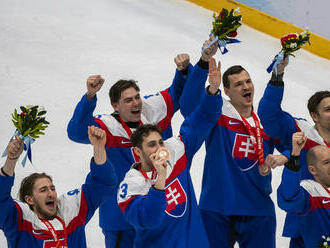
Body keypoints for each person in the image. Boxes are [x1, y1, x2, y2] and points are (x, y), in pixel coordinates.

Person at [67, 42, 218, 248]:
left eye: (137, 97)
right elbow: (76, 132)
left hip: (165, 213)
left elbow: (180, 93)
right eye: (128, 100)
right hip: (122, 217)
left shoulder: (154, 110)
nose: (136, 103)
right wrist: (89, 97)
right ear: (115, 106)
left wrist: (184, 71)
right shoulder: (108, 127)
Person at [179, 59, 290, 247]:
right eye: (238, 84)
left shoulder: (266, 121)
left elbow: (295, 147)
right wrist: (211, 87)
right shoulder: (217, 114)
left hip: (258, 209)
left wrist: (283, 156)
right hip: (217, 207)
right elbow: (190, 107)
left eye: (248, 81)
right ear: (228, 92)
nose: (246, 87)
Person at [117, 57, 222, 247]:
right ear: (137, 152)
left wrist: (212, 91)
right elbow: (148, 219)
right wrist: (160, 181)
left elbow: (201, 120)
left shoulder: (175, 151)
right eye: (151, 145)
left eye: (160, 142)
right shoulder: (132, 184)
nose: (159, 149)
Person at [0, 126, 117, 247]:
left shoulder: (71, 209)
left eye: (52, 188)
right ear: (29, 199)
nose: (50, 193)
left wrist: (99, 148)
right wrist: (11, 159)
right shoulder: (18, 219)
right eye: (43, 190)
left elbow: (103, 184)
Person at [258, 58, 330, 248]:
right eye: (328, 109)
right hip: (306, 223)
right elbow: (269, 115)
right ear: (314, 116)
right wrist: (277, 77)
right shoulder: (302, 131)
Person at [277, 132, 330, 248]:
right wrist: (295, 154)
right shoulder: (310, 192)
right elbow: (289, 196)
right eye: (326, 163)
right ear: (312, 170)